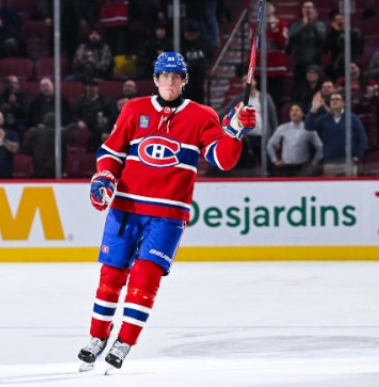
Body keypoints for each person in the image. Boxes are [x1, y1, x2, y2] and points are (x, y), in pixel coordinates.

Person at [77, 52, 255, 371]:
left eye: (176, 77)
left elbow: (223, 159)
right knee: (111, 275)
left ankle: (124, 341)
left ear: (183, 81)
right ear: (155, 78)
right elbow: (111, 151)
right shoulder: (134, 109)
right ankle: (98, 336)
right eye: (164, 76)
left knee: (146, 277)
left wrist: (235, 131)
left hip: (169, 215)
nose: (170, 82)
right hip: (126, 209)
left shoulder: (202, 116)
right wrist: (103, 176)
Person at [304, 91, 367, 176]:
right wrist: (314, 109)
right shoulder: (324, 119)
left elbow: (362, 139)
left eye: (337, 99)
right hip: (330, 162)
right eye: (332, 99)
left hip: (348, 162)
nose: (334, 101)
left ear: (343, 103)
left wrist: (356, 157)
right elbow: (308, 126)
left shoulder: (352, 118)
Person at [266, 102, 323, 177]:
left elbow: (320, 147)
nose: (294, 112)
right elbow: (270, 144)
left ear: (302, 114)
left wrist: (313, 164)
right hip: (286, 168)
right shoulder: (283, 128)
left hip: (302, 169)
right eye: (292, 110)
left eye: (297, 110)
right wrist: (275, 160)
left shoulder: (309, 129)